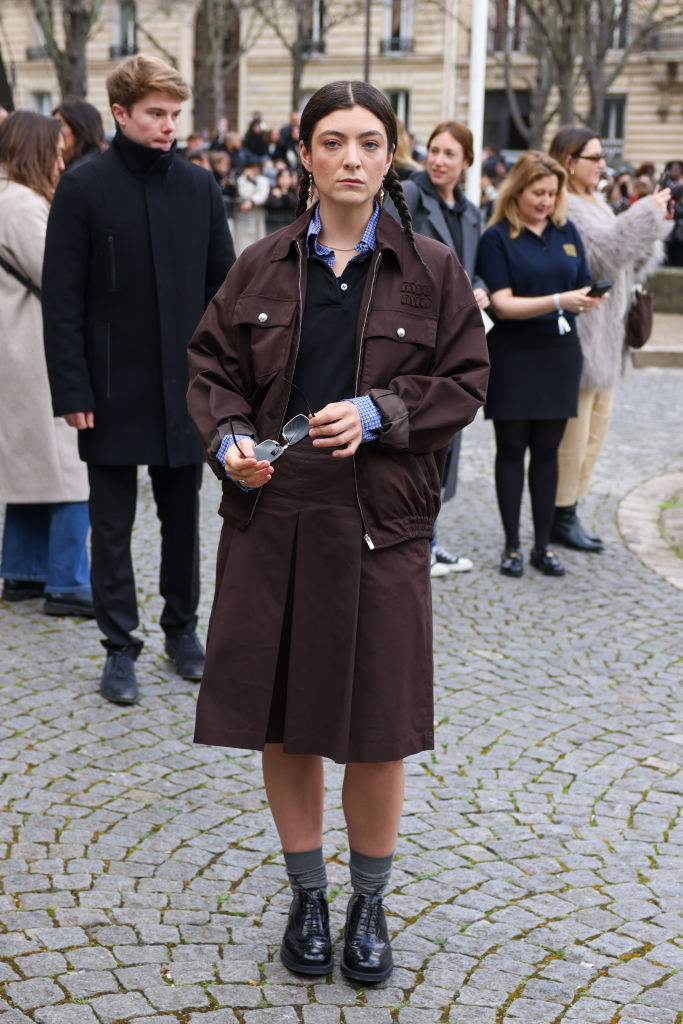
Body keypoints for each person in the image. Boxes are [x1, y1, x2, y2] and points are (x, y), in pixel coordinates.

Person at [186, 80, 488, 983]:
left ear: (387, 154)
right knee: (284, 722)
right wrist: (230, 439)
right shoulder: (258, 263)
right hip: (271, 515)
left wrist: (380, 409)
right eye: (331, 142)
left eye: (366, 142)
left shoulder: (433, 270)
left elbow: (467, 384)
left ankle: (367, 905)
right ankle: (307, 895)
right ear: (306, 156)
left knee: (376, 726)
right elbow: (212, 368)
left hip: (377, 527)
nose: (350, 158)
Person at [43, 54, 235, 705]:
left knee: (183, 520)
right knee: (112, 524)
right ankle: (119, 646)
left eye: (175, 114)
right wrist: (72, 389)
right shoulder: (83, 185)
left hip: (186, 387)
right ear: (120, 113)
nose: (168, 126)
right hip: (108, 388)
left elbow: (223, 291)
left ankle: (182, 632)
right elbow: (62, 297)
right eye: (156, 113)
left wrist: (221, 382)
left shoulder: (199, 186)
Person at [476, 151, 606, 578]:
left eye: (552, 193)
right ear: (518, 190)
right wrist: (558, 301)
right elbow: (502, 304)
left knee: (548, 452)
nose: (546, 201)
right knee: (512, 450)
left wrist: (587, 297)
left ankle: (543, 546)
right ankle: (513, 546)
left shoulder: (567, 231)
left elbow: (580, 281)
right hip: (513, 355)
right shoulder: (497, 237)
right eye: (538, 192)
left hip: (559, 354)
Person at [548, 127, 672, 549]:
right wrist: (646, 215)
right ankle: (560, 514)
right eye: (594, 157)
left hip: (608, 332)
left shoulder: (594, 200)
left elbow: (626, 263)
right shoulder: (566, 206)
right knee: (575, 436)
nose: (603, 164)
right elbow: (605, 252)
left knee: (596, 433)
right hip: (585, 336)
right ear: (569, 160)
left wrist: (651, 229)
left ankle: (572, 509)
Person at [0, 111, 93, 617]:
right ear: (34, 149)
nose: (61, 161)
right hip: (35, 348)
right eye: (55, 151)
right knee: (66, 463)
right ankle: (67, 581)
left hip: (17, 346)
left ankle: (23, 571)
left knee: (30, 462)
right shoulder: (22, 204)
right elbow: (59, 273)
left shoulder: (9, 198)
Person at [398, 121, 491, 576]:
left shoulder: (472, 213)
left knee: (447, 440)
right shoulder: (411, 196)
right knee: (421, 436)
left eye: (449, 154)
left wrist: (479, 289)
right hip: (416, 334)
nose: (437, 160)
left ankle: (430, 539)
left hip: (454, 339)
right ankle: (419, 543)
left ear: (466, 162)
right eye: (433, 150)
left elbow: (470, 270)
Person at [53, 99, 105, 170]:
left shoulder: (81, 172)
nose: (53, 131)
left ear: (79, 128)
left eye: (60, 125)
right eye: (53, 126)